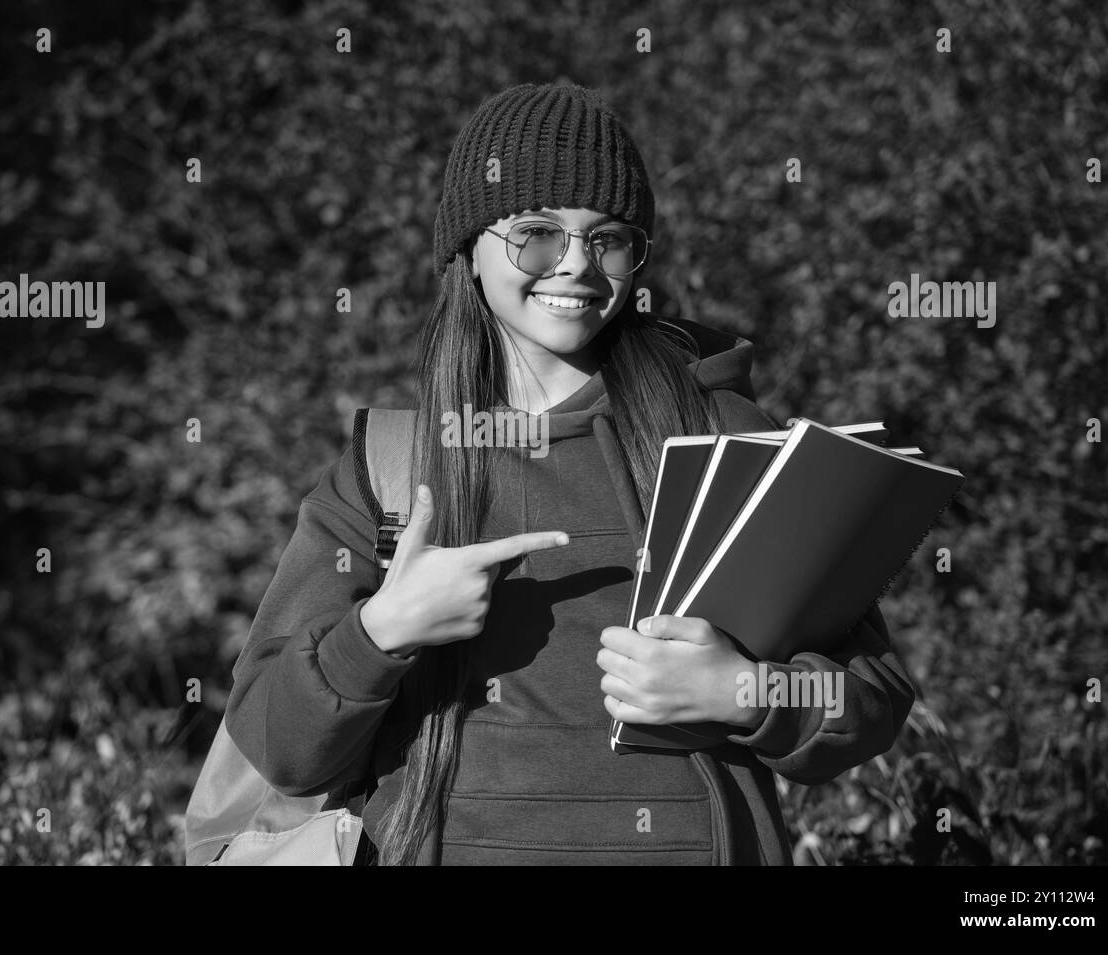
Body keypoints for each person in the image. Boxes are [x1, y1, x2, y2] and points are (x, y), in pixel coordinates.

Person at [225, 82, 915, 865]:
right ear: (469, 252)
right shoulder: (391, 467)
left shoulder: (722, 437)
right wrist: (382, 630)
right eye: (538, 234)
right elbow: (281, 749)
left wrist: (738, 692)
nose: (577, 265)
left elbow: (871, 694)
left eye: (610, 238)